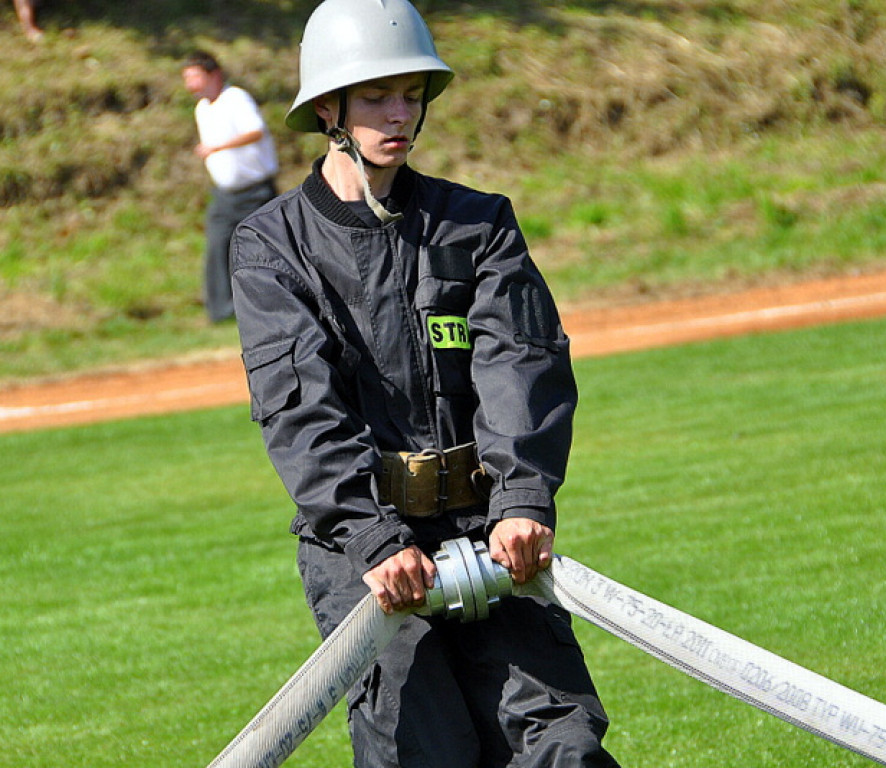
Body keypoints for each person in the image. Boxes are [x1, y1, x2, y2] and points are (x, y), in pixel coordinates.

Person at [229, 0, 621, 765]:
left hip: (491, 536)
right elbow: (298, 406)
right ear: (328, 109)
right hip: (367, 554)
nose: (400, 113)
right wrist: (375, 538)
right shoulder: (270, 247)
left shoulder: (478, 224)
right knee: (424, 751)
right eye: (377, 95)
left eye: (413, 94)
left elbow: (522, 360)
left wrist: (521, 501)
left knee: (561, 744)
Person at [182, 50, 278, 323]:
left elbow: (256, 130)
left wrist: (219, 147)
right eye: (187, 78)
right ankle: (222, 310)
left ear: (214, 75)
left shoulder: (235, 97)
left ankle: (274, 303)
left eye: (194, 76)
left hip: (255, 191)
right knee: (217, 246)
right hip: (225, 194)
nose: (190, 84)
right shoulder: (201, 108)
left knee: (266, 249)